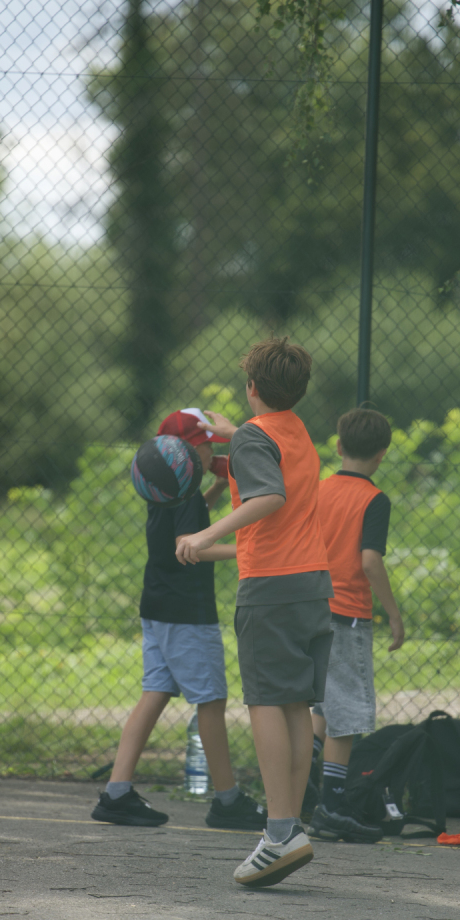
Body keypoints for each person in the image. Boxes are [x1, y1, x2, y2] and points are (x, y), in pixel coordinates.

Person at [176, 338, 333, 888]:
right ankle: (289, 828)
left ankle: (281, 831)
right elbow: (266, 458)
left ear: (251, 388)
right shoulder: (296, 431)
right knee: (293, 704)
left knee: (265, 700)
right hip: (312, 582)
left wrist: (205, 534)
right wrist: (230, 433)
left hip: (272, 582)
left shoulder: (252, 435)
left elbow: (268, 495)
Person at [91, 407, 267, 832]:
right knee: (211, 700)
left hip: (157, 606)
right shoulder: (185, 494)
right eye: (206, 448)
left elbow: (187, 525)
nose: (211, 456)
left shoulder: (165, 489)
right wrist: (246, 554)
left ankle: (116, 793)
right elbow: (191, 547)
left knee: (154, 693)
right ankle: (227, 800)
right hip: (187, 614)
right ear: (184, 450)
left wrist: (217, 486)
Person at [307, 407, 405, 843]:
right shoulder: (374, 499)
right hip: (346, 616)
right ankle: (331, 806)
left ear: (338, 445)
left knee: (322, 708)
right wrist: (393, 613)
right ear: (382, 454)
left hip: (309, 607)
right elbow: (369, 561)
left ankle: (303, 788)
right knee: (345, 715)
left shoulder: (318, 490)